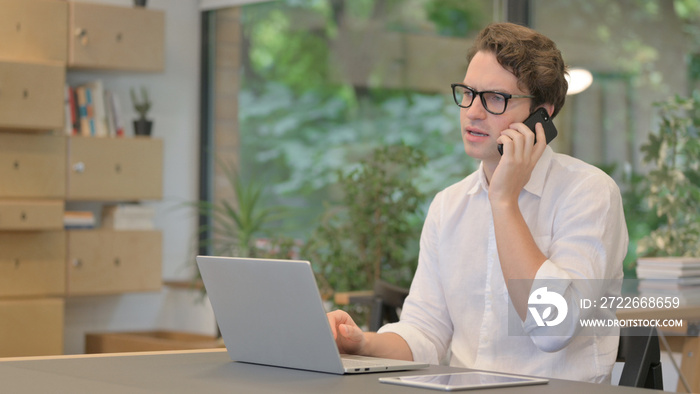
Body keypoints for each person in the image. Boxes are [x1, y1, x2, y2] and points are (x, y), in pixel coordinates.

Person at [327, 22, 627, 383]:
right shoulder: (448, 205)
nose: (472, 111)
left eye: (495, 98)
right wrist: (363, 343)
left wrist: (504, 201)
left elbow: (553, 328)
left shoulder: (589, 192)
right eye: (468, 93)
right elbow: (426, 332)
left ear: (541, 115)